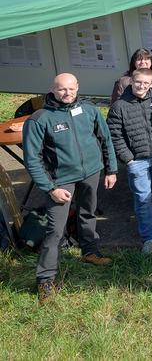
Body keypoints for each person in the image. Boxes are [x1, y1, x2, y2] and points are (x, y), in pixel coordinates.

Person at [23, 74, 118, 304]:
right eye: (62, 89)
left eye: (71, 89)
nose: (67, 93)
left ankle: (89, 252)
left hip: (91, 172)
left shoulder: (90, 109)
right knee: (55, 229)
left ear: (78, 87)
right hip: (60, 181)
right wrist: (50, 189)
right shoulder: (39, 119)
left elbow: (105, 138)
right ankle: (45, 280)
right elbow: (32, 160)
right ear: (52, 89)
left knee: (88, 213)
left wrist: (111, 169)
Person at [107, 68, 152, 254]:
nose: (141, 86)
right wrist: (128, 159)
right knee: (143, 199)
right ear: (131, 82)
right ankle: (149, 237)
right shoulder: (119, 107)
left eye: (146, 83)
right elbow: (114, 136)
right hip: (137, 162)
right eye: (138, 82)